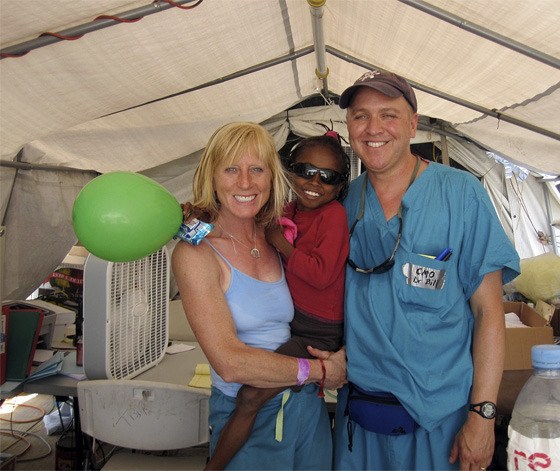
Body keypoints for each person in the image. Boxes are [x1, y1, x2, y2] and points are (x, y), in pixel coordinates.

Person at [333, 70, 521, 470]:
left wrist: (483, 415)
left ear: (414, 123)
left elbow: (489, 313)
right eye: (360, 116)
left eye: (389, 114)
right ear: (348, 126)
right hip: (361, 422)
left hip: (441, 423)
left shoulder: (461, 194)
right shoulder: (344, 204)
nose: (374, 128)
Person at [171, 122, 347, 470]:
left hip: (304, 406)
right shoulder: (196, 254)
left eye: (257, 169)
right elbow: (231, 363)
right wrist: (322, 371)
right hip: (252, 410)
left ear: (272, 177)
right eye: (231, 169)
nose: (246, 183)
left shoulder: (274, 235)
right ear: (212, 175)